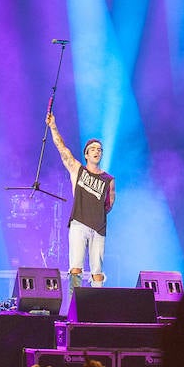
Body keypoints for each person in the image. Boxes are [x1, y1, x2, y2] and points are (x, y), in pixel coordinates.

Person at [46, 112, 115, 287]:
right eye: (93, 149)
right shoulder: (78, 170)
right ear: (86, 154)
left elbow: (110, 204)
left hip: (98, 227)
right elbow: (62, 149)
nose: (97, 151)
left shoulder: (109, 179)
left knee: (97, 270)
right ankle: (74, 307)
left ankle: (96, 307)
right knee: (75, 267)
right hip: (79, 223)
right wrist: (53, 126)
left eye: (99, 149)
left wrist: (97, 213)